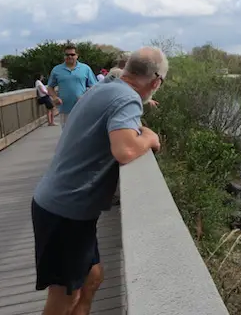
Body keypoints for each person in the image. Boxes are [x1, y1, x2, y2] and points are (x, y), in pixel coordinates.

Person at [31, 46, 167, 315]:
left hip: (66, 207)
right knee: (65, 297)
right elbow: (125, 150)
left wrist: (139, 130)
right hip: (65, 211)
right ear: (155, 82)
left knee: (92, 278)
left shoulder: (105, 88)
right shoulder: (126, 98)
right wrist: (151, 138)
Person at [47, 44, 98, 128]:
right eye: (67, 55)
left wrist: (85, 96)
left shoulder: (85, 68)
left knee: (83, 134)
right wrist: (54, 97)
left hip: (82, 108)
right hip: (65, 109)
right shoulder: (56, 70)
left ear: (77, 56)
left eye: (72, 54)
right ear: (64, 56)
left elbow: (94, 87)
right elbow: (50, 87)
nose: (69, 56)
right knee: (67, 136)